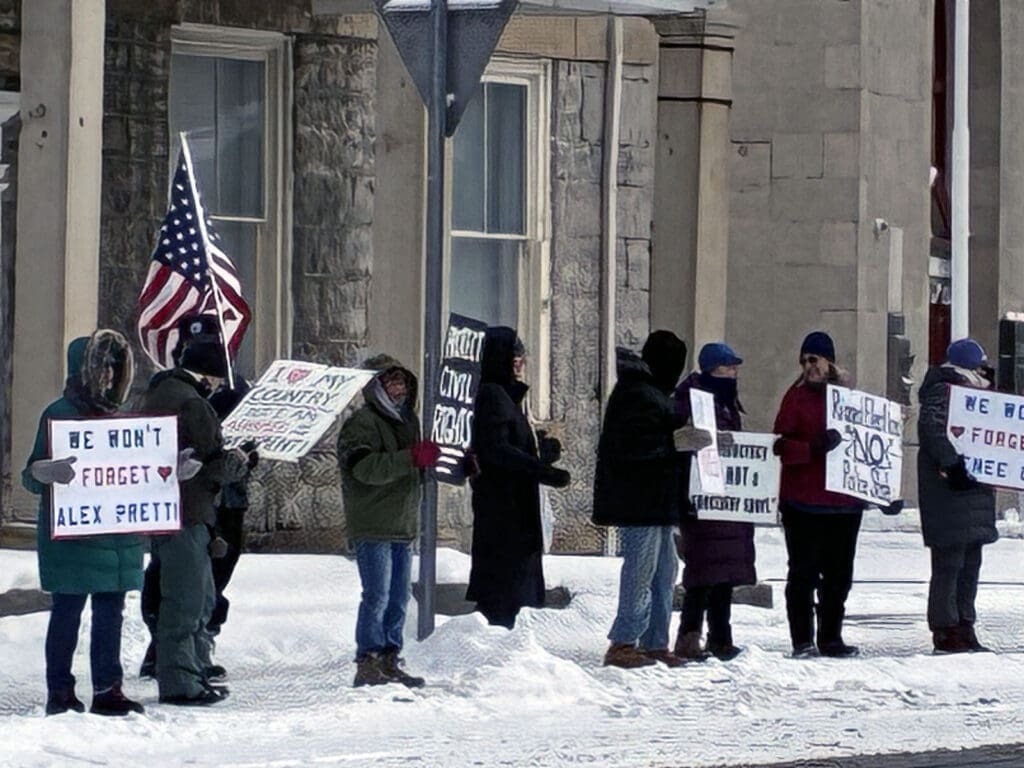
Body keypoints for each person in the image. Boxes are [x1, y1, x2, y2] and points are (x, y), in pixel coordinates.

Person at [23, 329, 146, 716]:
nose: (108, 375)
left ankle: (108, 689)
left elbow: (135, 471)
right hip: (73, 541)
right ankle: (60, 691)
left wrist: (168, 472)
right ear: (84, 370)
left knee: (111, 614)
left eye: (114, 368)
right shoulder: (58, 414)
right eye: (102, 367)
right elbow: (30, 475)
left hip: (114, 538)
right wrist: (44, 471)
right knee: (67, 614)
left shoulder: (121, 419)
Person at [140, 324, 255, 705]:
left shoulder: (159, 393)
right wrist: (242, 460)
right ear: (209, 375)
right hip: (190, 510)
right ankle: (181, 682)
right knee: (188, 600)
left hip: (168, 510)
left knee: (192, 594)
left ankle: (192, 670)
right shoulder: (191, 403)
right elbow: (211, 466)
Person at [593, 330, 711, 669]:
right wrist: (675, 443)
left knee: (664, 572)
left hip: (657, 501)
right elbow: (629, 448)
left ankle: (656, 641)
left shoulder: (651, 393)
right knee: (641, 572)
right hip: (638, 502)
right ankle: (624, 642)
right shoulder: (636, 394)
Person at [338, 355, 439, 687]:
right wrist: (410, 458)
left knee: (398, 597)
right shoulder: (362, 423)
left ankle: (390, 657)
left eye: (402, 381)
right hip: (373, 522)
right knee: (377, 595)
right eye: (391, 381)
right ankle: (367, 660)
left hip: (401, 523)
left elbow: (415, 468)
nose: (399, 388)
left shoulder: (408, 421)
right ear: (376, 386)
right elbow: (364, 468)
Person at [466, 326, 571, 630]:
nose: (519, 361)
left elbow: (511, 446)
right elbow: (497, 450)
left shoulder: (506, 396)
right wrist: (543, 471)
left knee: (516, 584)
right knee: (505, 589)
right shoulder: (491, 394)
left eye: (521, 355)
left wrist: (543, 455)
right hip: (503, 510)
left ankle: (509, 642)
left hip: (514, 508)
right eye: (513, 354)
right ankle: (500, 645)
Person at [773, 331, 865, 658]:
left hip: (844, 504)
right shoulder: (795, 398)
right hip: (804, 502)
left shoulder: (851, 400)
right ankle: (802, 639)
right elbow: (780, 446)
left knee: (839, 576)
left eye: (814, 359)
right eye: (804, 361)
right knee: (803, 573)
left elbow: (867, 446)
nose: (808, 366)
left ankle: (831, 637)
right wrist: (813, 448)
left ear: (829, 361)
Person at [671, 342, 755, 662]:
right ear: (711, 370)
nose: (733, 374)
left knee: (724, 573)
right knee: (703, 573)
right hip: (702, 498)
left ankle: (721, 636)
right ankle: (689, 635)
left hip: (726, 500)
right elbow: (679, 442)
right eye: (727, 368)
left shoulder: (726, 402)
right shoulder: (691, 399)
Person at [917, 338, 997, 653]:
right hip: (949, 490)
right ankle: (946, 628)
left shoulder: (980, 394)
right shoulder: (944, 390)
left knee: (970, 563)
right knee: (949, 563)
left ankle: (965, 624)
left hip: (974, 491)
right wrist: (953, 463)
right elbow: (932, 430)